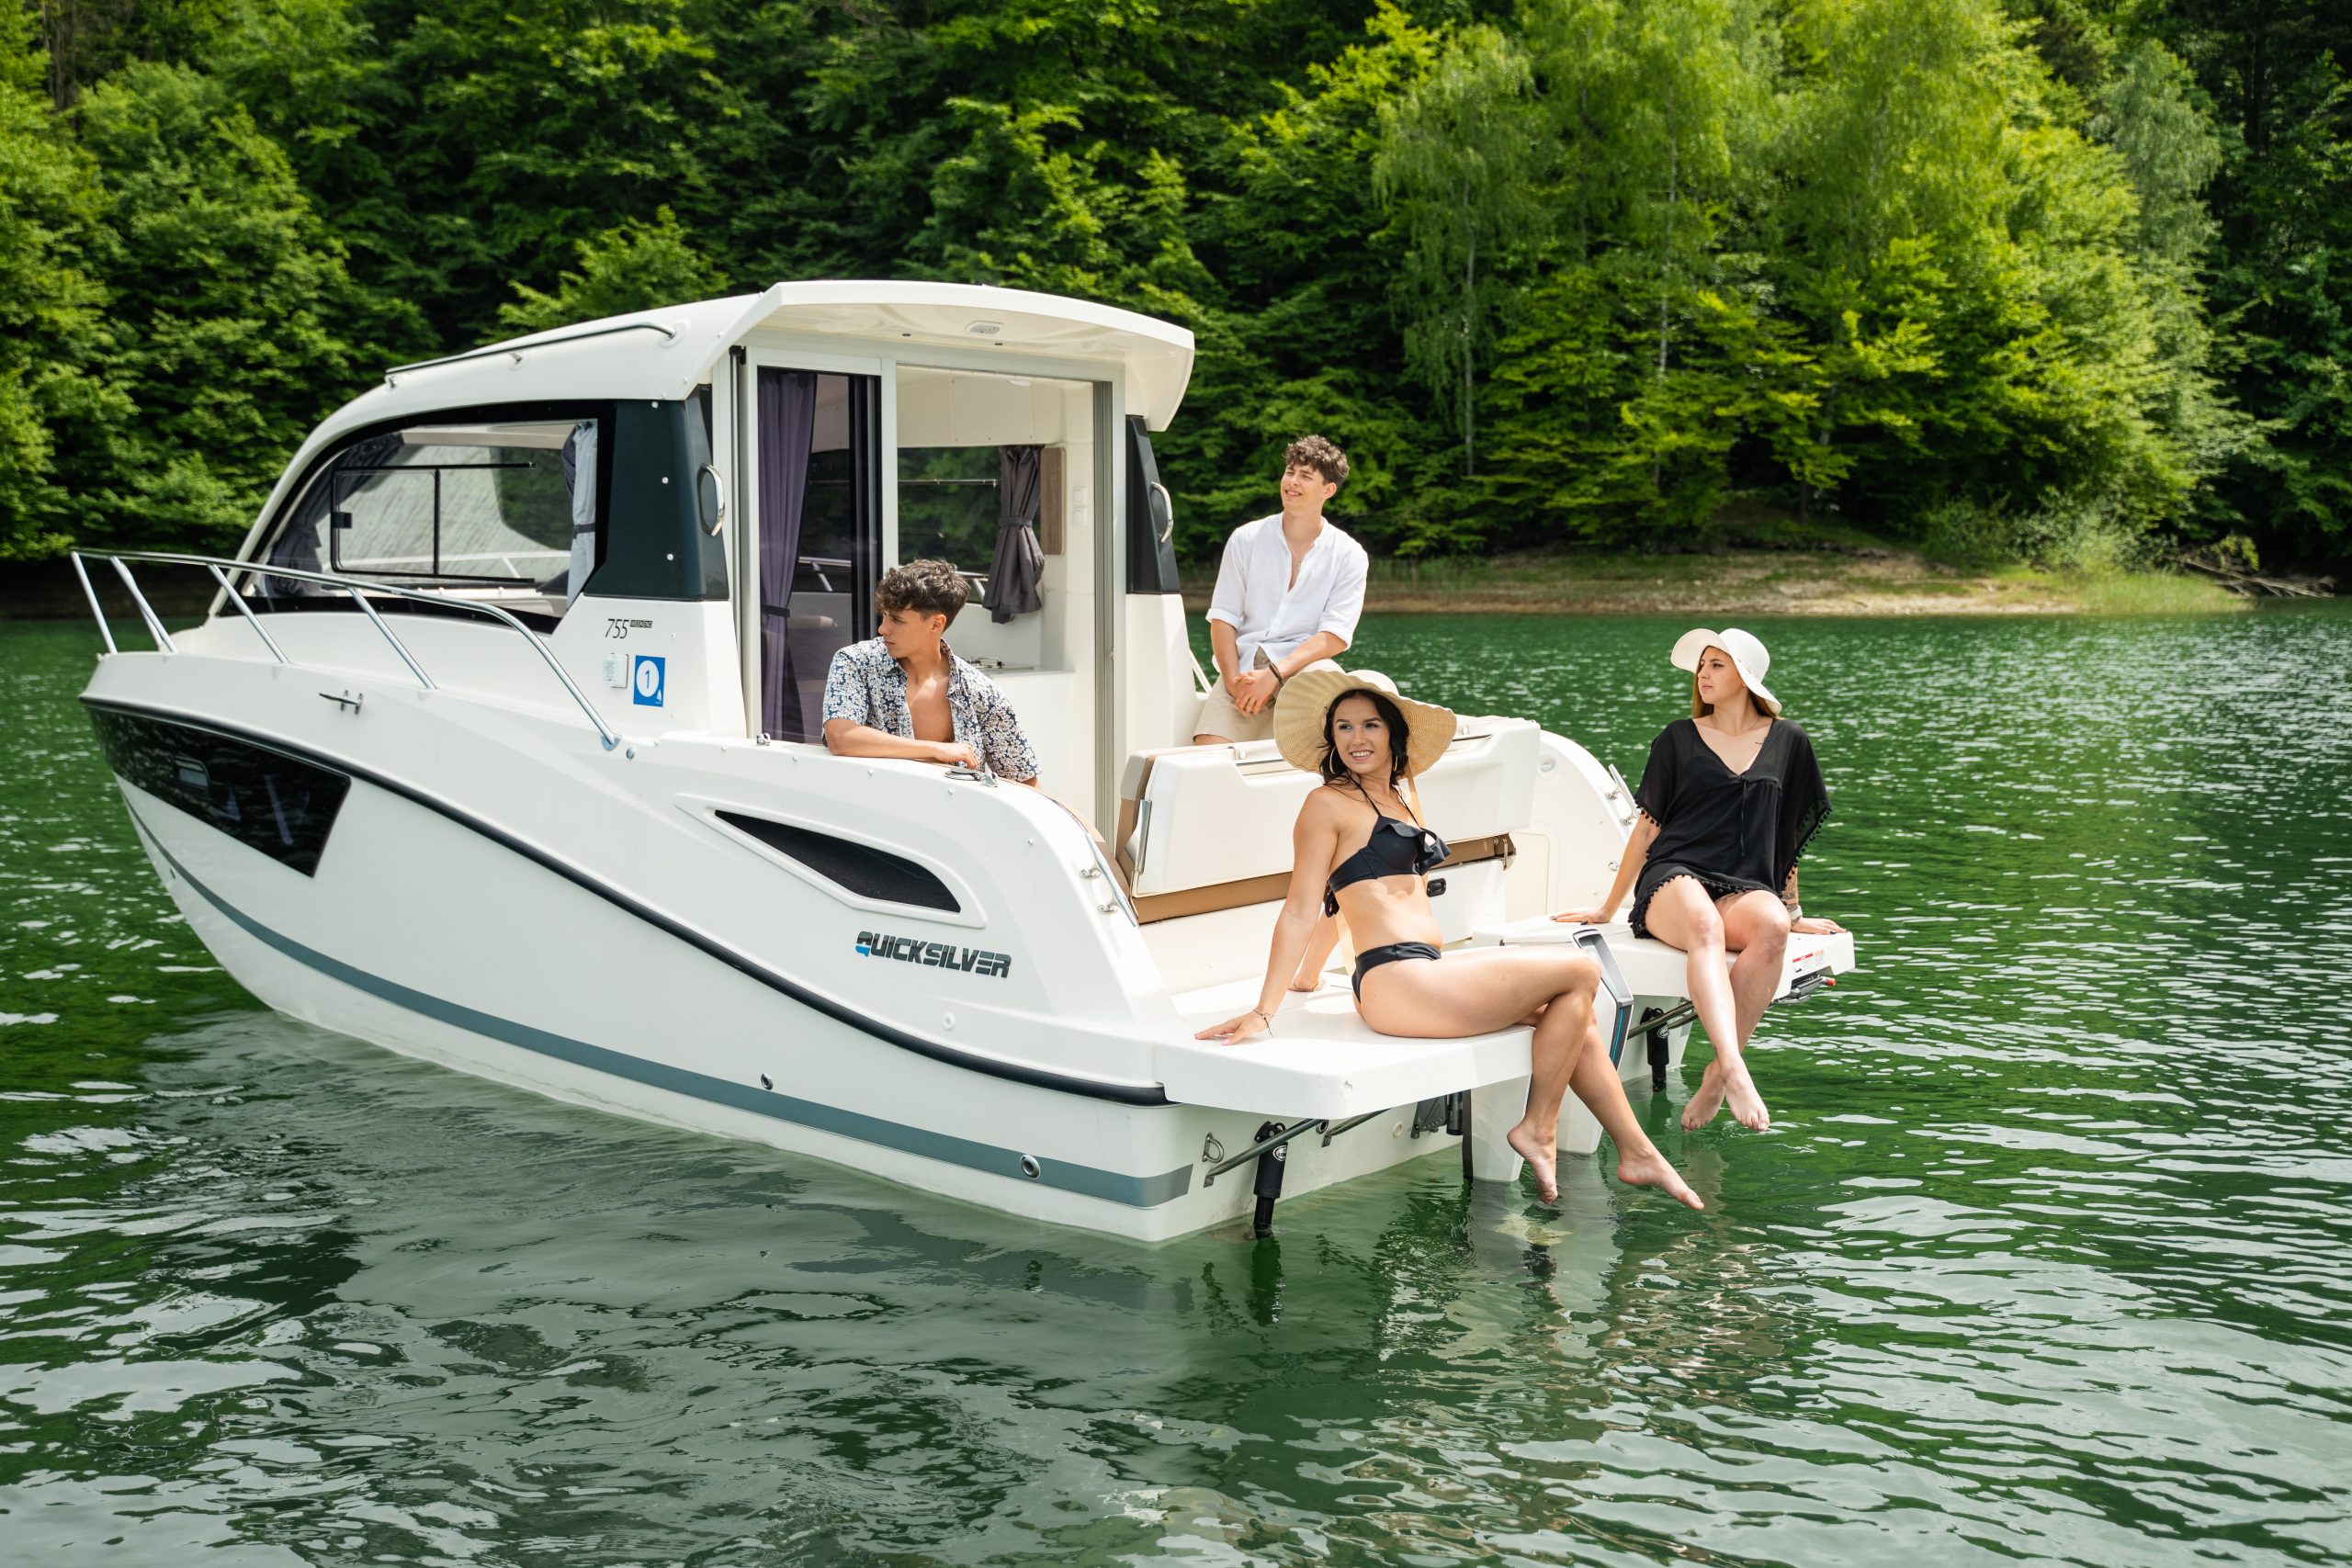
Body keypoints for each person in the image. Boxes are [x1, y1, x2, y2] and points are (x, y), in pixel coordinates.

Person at [1194, 671, 1702, 1210]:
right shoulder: (1326, 803)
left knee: (1573, 1014)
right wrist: (1265, 1010)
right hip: (1395, 982)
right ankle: (1539, 1128)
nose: (1356, 738)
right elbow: (1302, 906)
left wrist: (1309, 977)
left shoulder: (1402, 796)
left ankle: (1636, 1151)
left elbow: (1341, 899)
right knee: (1581, 970)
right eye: (1343, 727)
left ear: (1393, 733)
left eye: (1370, 725)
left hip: (1423, 971)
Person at [1553, 628, 1843, 1134]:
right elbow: (1648, 828)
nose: (1703, 675)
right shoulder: (1678, 738)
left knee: (1772, 926)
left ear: (1745, 678)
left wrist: (1793, 911)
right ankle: (1733, 1067)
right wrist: (1607, 909)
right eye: (1702, 666)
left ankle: (1717, 1074)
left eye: (1716, 666)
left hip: (1745, 883)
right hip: (1675, 873)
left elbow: (1789, 834)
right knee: (1705, 927)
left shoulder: (1789, 741)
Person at [1193, 435, 1369, 746]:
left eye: (1305, 476)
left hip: (1305, 667)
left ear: (1328, 490)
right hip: (1245, 666)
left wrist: (1274, 674)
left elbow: (1335, 635)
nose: (1292, 482)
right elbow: (1223, 618)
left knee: (1327, 687)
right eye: (1290, 472)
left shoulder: (1349, 554)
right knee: (1208, 751)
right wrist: (1234, 684)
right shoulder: (1245, 539)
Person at [821, 559, 1041, 785]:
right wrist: (935, 750)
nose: (883, 628)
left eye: (897, 619)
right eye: (884, 615)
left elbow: (1024, 780)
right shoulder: (855, 662)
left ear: (936, 624)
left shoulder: (981, 692)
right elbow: (841, 737)